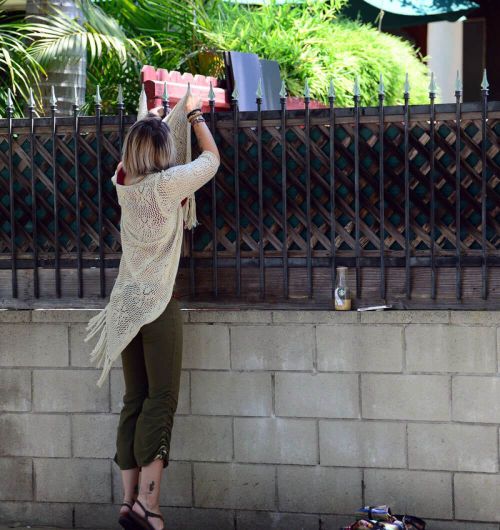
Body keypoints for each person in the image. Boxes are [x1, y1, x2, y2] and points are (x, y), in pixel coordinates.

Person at [84, 88, 220, 530]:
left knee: (134, 401)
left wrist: (158, 116)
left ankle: (127, 501)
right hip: (157, 305)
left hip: (124, 307)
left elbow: (134, 149)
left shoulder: (123, 182)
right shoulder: (166, 186)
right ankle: (149, 504)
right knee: (161, 401)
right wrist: (196, 116)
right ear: (162, 150)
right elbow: (211, 161)